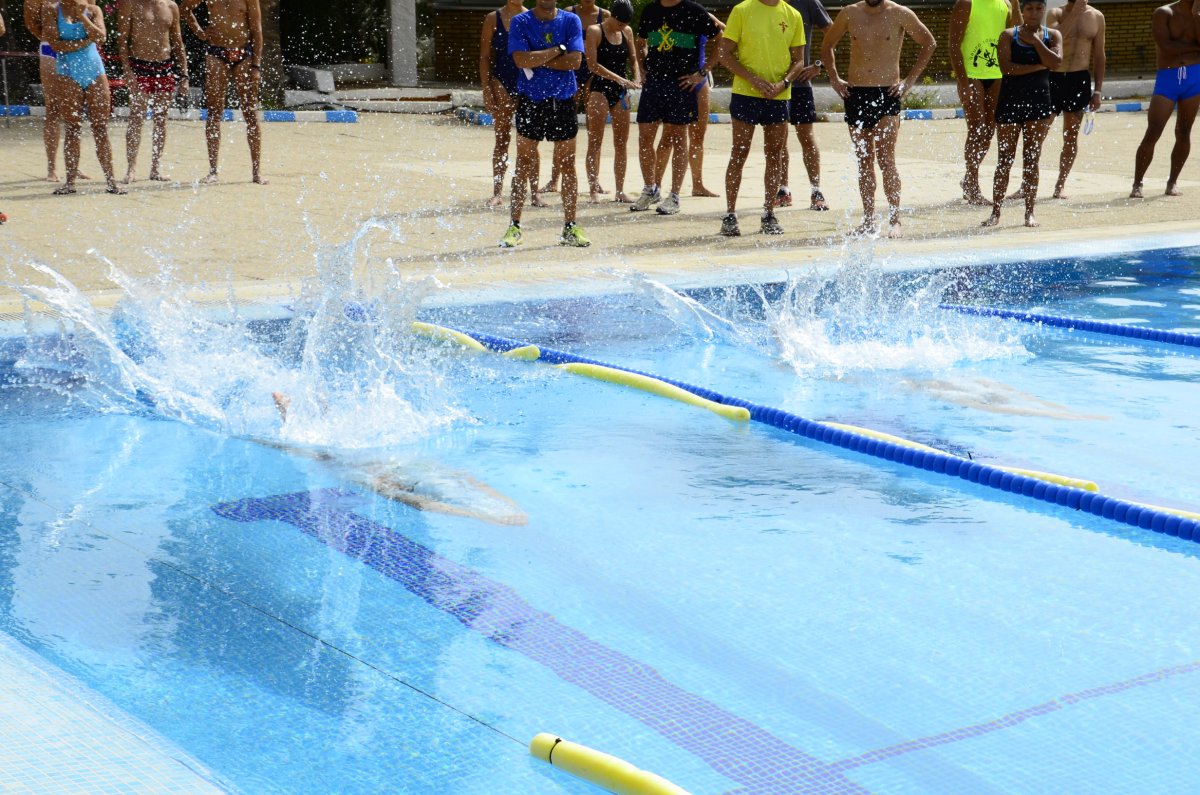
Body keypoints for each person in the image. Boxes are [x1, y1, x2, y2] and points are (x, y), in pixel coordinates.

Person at [270, 393, 527, 526]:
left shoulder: (421, 473)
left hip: (391, 462)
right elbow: (420, 503)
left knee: (326, 452)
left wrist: (503, 507)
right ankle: (295, 414)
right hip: (384, 467)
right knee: (323, 455)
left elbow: (463, 482)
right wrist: (483, 514)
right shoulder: (393, 482)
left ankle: (302, 412)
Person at [822, 0, 935, 237]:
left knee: (886, 159)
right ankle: (868, 220)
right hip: (856, 93)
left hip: (887, 93)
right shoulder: (849, 13)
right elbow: (827, 44)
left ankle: (895, 220)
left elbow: (929, 43)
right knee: (864, 161)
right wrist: (834, 78)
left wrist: (908, 82)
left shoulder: (900, 13)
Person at [717, 0, 817, 236]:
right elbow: (724, 54)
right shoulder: (742, 10)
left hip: (779, 95)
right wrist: (752, 79)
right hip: (745, 94)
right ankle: (730, 215)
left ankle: (768, 214)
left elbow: (799, 60)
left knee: (774, 154)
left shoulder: (792, 15)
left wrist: (784, 83)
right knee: (739, 151)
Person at [498, 0, 591, 247]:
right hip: (531, 101)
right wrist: (558, 49)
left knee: (567, 164)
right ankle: (514, 226)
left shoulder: (571, 20)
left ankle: (570, 227)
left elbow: (575, 62)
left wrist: (537, 59)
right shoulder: (521, 21)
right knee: (524, 163)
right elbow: (520, 60)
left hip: (563, 101)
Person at [630, 0, 721, 214]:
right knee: (645, 138)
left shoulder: (695, 11)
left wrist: (702, 72)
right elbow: (640, 42)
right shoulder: (650, 10)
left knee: (679, 140)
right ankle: (650, 189)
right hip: (654, 83)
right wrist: (642, 68)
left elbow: (720, 40)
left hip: (682, 83)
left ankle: (674, 196)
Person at [982, 0, 1061, 228]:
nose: (1034, 13)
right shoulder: (1008, 35)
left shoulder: (1052, 35)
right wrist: (1040, 66)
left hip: (1039, 103)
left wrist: (1035, 42)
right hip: (1010, 102)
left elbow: (1056, 62)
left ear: (1044, 9)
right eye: (1029, 8)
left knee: (1032, 158)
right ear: (1023, 11)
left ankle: (1030, 212)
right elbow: (1007, 68)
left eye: (1039, 8)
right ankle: (996, 212)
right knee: (1005, 159)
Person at [43, 0, 125, 195]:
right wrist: (87, 41)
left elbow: (101, 37)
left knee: (101, 128)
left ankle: (111, 182)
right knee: (72, 128)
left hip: (94, 71)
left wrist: (82, 17)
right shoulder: (51, 10)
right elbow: (55, 45)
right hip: (67, 72)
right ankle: (70, 183)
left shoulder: (93, 10)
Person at [181, 0, 267, 184]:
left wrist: (256, 66)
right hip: (216, 52)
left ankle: (257, 172)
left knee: (250, 112)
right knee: (214, 111)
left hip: (243, 53)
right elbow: (185, 9)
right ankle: (213, 171)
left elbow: (257, 29)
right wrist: (200, 32)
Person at [949, 0, 1018, 204]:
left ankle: (969, 178)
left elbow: (1017, 34)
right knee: (977, 129)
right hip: (972, 74)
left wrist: (1015, 4)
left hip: (996, 73)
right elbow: (953, 44)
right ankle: (973, 186)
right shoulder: (966, 3)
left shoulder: (1006, 4)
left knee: (988, 131)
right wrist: (963, 82)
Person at [479, 0, 547, 208]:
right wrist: (486, 89)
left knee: (530, 141)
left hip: (528, 81)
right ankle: (497, 192)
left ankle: (534, 192)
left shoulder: (534, 17)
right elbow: (485, 56)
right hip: (502, 81)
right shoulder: (494, 18)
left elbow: (542, 52)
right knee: (502, 139)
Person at [1130, 0, 1200, 198]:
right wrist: (1195, 49)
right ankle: (1137, 183)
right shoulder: (1164, 12)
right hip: (1168, 77)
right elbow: (1166, 47)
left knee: (1184, 131)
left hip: (1194, 77)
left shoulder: (1199, 15)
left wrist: (1196, 16)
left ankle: (1172, 181)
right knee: (1154, 131)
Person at [538, 0, 608, 195]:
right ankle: (554, 179)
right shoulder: (568, 13)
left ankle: (594, 181)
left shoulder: (605, 16)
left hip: (593, 73)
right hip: (571, 72)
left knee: (595, 132)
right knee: (562, 129)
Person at [118, 0, 189, 183]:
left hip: (164, 68)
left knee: (160, 120)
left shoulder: (171, 6)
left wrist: (184, 75)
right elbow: (122, 39)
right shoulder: (131, 4)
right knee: (136, 117)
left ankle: (155, 168)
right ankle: (131, 168)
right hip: (139, 66)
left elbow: (177, 42)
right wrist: (127, 71)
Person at [775, 0, 832, 211]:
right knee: (778, 139)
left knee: (806, 137)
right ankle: (783, 189)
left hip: (800, 84)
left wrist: (819, 64)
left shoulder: (808, 2)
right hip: (773, 85)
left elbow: (832, 31)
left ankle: (816, 190)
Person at [25, 0, 90, 182]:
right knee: (53, 108)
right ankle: (52, 166)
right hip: (51, 48)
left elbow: (89, 14)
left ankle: (73, 164)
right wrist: (52, 37)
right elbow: (31, 24)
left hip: (78, 49)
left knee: (75, 110)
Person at [583, 0, 641, 202]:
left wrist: (637, 76)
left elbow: (633, 59)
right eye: (619, 23)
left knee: (621, 143)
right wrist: (619, 79)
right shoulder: (595, 31)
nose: (622, 27)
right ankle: (593, 190)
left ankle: (620, 191)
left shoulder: (627, 31)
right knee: (595, 142)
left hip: (620, 91)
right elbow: (592, 65)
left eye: (625, 24)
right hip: (599, 89)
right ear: (611, 17)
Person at [1046, 0, 1105, 199]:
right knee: (1038, 134)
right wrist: (1075, 12)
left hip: (1078, 79)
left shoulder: (1097, 17)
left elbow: (1099, 55)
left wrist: (1098, 91)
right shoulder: (1055, 13)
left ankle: (1060, 185)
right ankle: (1026, 184)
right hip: (1054, 77)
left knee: (1071, 135)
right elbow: (1053, 41)